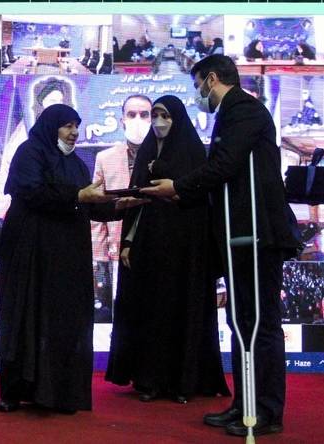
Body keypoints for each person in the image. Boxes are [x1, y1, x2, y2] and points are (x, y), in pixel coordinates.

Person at [142, 55, 301, 437]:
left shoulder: (244, 110)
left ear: (211, 79)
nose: (199, 93)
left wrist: (179, 187)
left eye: (198, 84)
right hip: (236, 235)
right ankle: (244, 404)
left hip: (257, 233)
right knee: (241, 322)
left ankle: (266, 411)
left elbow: (226, 165)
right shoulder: (230, 113)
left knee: (260, 324)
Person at [0, 104, 146, 414]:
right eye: (67, 126)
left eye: (76, 126)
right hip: (31, 253)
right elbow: (32, 192)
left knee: (64, 319)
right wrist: (77, 196)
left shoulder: (76, 164)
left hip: (66, 258)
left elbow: (87, 205)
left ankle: (60, 393)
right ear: (51, 126)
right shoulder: (29, 153)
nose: (74, 132)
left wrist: (120, 205)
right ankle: (16, 391)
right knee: (26, 316)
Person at [105, 95, 230, 404]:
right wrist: (128, 243)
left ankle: (181, 381)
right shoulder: (146, 151)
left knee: (180, 313)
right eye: (156, 115)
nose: (159, 122)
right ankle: (149, 379)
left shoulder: (193, 153)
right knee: (150, 314)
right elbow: (136, 202)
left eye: (165, 116)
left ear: (178, 119)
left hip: (184, 251)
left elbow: (200, 202)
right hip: (149, 249)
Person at [91, 95, 152, 263]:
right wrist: (99, 256)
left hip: (156, 243)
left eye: (144, 114)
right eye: (131, 115)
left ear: (152, 119)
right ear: (122, 120)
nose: (138, 120)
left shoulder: (165, 157)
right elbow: (97, 207)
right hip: (117, 249)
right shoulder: (105, 158)